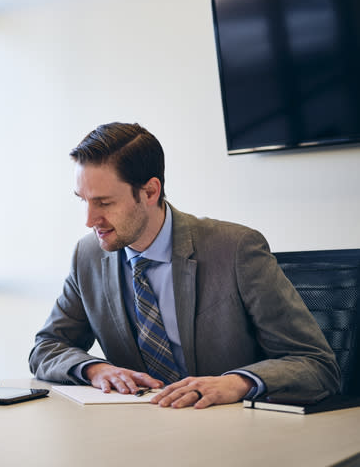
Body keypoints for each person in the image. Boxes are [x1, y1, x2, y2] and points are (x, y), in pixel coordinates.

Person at [28, 122, 340, 409]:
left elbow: (315, 363)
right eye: (83, 200)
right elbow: (47, 347)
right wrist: (95, 369)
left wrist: (237, 383)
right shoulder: (88, 256)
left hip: (233, 435)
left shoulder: (235, 250)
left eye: (104, 202)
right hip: (137, 433)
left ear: (150, 191)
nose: (88, 220)